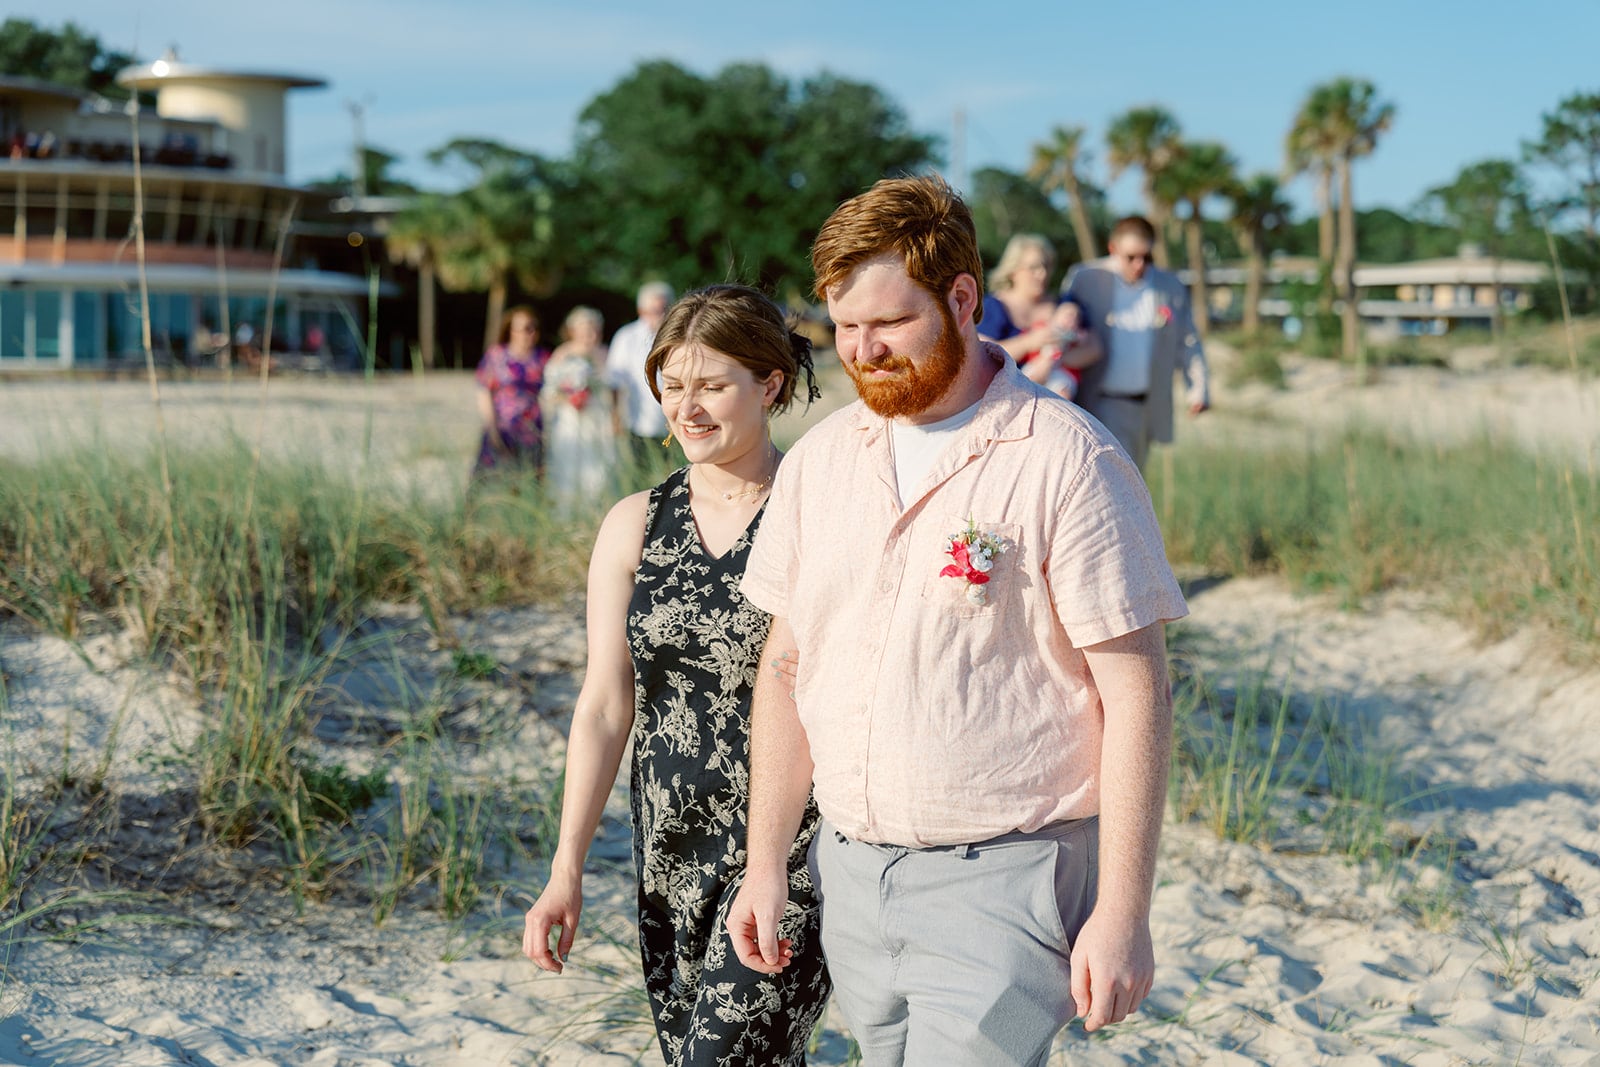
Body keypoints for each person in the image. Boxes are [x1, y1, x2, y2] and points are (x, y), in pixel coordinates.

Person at [725, 176, 1187, 1065]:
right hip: (853, 881)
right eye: (844, 327)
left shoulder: (1070, 460)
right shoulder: (820, 461)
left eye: (889, 324)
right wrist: (766, 861)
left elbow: (1139, 693)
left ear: (963, 297)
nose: (862, 351)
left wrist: (1125, 913)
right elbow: (785, 669)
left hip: (1015, 894)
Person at [524, 285, 830, 1066]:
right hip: (668, 848)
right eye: (671, 386)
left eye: (711, 385)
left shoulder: (819, 512)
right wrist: (567, 866)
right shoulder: (635, 521)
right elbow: (602, 704)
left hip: (793, 847)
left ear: (770, 384)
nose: (686, 409)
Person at [1060, 216, 1209, 470]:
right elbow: (1063, 328)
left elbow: (1188, 340)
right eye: (1131, 257)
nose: (1140, 265)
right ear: (1113, 249)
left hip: (1147, 406)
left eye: (1147, 257)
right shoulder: (1086, 278)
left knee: (1134, 486)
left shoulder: (1170, 286)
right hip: (1098, 402)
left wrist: (1198, 387)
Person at [979, 233, 1101, 400]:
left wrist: (1054, 360)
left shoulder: (1066, 304)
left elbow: (1094, 348)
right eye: (1034, 268)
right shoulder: (992, 307)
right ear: (1013, 270)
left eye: (1046, 266)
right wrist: (1031, 342)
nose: (1042, 274)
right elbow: (983, 356)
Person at [541, 306, 616, 508]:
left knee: (599, 469)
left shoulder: (604, 354)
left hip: (598, 419)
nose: (590, 335)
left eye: (593, 330)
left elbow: (614, 388)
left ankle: (595, 511)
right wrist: (569, 399)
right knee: (568, 467)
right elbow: (549, 391)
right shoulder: (562, 354)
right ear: (573, 331)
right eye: (584, 330)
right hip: (570, 421)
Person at [473, 306, 550, 480]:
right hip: (503, 428)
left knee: (529, 481)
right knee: (493, 478)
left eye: (534, 327)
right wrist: (492, 429)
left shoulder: (543, 357)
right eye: (526, 328)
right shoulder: (497, 355)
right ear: (511, 331)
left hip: (532, 431)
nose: (531, 333)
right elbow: (484, 392)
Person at [606, 281, 675, 469]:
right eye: (655, 310)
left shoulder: (678, 335)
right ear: (641, 311)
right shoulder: (627, 337)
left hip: (674, 421)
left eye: (664, 309)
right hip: (637, 420)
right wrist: (615, 415)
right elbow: (615, 380)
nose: (660, 315)